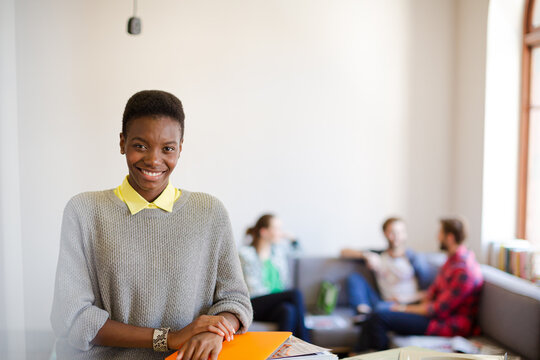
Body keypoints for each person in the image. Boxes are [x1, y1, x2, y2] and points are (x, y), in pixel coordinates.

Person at [50, 90, 253, 360]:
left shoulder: (209, 212)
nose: (154, 160)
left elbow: (235, 301)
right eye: (140, 145)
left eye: (167, 148)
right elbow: (73, 318)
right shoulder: (85, 211)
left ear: (180, 149)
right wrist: (168, 339)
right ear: (122, 143)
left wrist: (214, 330)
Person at [366, 217, 484, 350]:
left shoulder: (464, 269)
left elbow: (437, 309)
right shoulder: (451, 261)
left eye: (440, 233)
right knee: (380, 311)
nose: (437, 237)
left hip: (445, 324)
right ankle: (358, 353)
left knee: (380, 318)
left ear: (450, 237)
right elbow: (431, 293)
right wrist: (402, 300)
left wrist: (403, 308)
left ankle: (375, 355)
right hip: (434, 315)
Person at [341, 217, 434, 317]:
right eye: (392, 232)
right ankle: (363, 313)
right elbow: (343, 252)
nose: (396, 236)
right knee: (354, 278)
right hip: (384, 302)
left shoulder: (413, 258)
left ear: (405, 234)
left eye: (400, 232)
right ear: (385, 234)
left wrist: (403, 299)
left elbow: (429, 291)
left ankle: (370, 317)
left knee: (380, 309)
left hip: (409, 303)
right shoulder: (379, 255)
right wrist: (366, 255)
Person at [238, 214, 309, 341]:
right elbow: (254, 290)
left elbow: (300, 254)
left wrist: (293, 239)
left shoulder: (278, 252)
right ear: (264, 232)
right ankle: (306, 343)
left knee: (288, 310)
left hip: (275, 304)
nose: (281, 233)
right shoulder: (246, 254)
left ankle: (284, 354)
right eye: (277, 229)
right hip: (254, 303)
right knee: (295, 294)